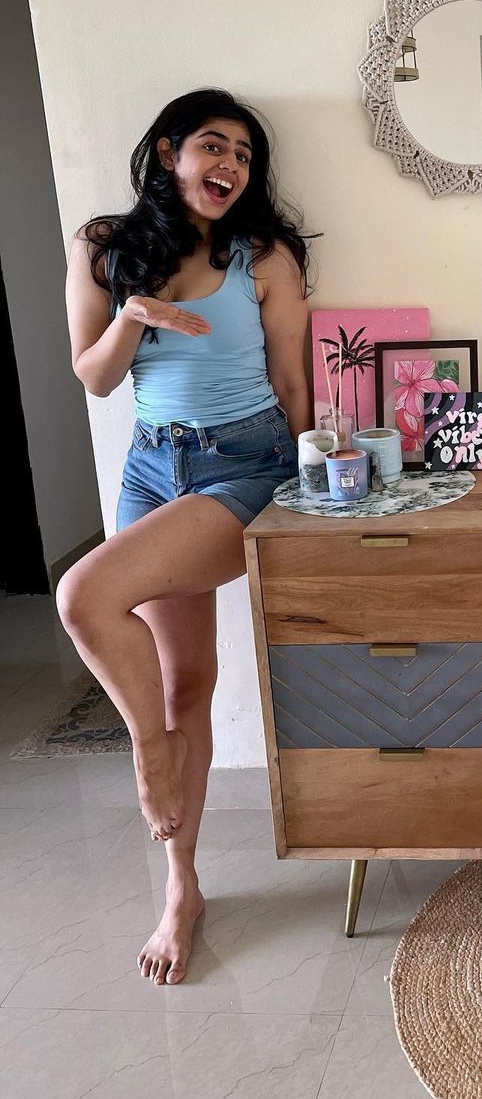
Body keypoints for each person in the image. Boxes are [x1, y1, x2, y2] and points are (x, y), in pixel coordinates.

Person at [59, 89, 314, 985]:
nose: (231, 165)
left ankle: (146, 751)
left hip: (244, 466)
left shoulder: (263, 256)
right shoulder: (103, 246)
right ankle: (182, 889)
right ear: (169, 153)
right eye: (214, 146)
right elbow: (94, 379)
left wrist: (307, 491)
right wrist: (134, 314)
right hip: (149, 468)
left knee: (82, 593)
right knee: (184, 685)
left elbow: (293, 382)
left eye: (244, 155)